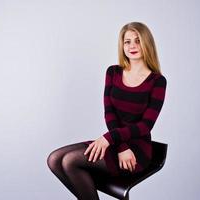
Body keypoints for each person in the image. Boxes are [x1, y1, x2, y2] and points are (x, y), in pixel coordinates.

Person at [47, 22, 167, 200]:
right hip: (116, 143)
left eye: (137, 41)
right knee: (54, 159)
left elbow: (145, 126)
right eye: (127, 42)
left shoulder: (157, 81)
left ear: (146, 43)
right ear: (122, 45)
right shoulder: (113, 72)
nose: (132, 46)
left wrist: (111, 140)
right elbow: (109, 113)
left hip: (136, 151)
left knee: (69, 161)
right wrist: (120, 145)